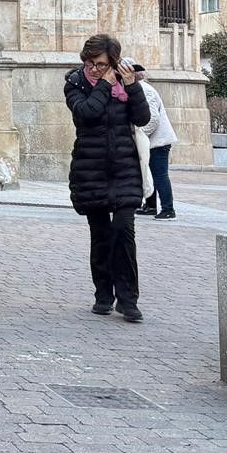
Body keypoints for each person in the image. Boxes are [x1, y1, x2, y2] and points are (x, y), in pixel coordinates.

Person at [65, 33, 150, 322]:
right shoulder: (76, 83)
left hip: (125, 169)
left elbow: (142, 118)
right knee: (100, 236)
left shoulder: (127, 84)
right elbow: (86, 113)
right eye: (89, 63)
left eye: (100, 64)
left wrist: (132, 87)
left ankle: (128, 299)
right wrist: (104, 84)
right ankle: (103, 294)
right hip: (91, 171)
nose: (93, 69)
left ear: (113, 61)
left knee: (124, 233)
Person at [124, 57, 178, 220]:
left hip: (158, 141)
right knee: (147, 172)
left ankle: (168, 208)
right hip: (151, 141)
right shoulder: (137, 88)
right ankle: (150, 206)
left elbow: (152, 118)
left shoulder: (144, 90)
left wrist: (139, 137)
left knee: (159, 174)